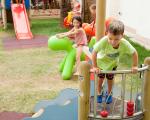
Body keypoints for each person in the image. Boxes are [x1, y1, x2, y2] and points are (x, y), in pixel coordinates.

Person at [92, 20, 138, 104]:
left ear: (122, 36)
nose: (113, 42)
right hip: (101, 64)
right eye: (110, 38)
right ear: (107, 33)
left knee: (110, 79)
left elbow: (134, 53)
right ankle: (99, 93)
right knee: (100, 79)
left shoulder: (125, 43)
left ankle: (109, 93)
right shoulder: (104, 41)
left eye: (116, 39)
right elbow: (94, 51)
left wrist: (134, 65)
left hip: (113, 64)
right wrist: (95, 66)